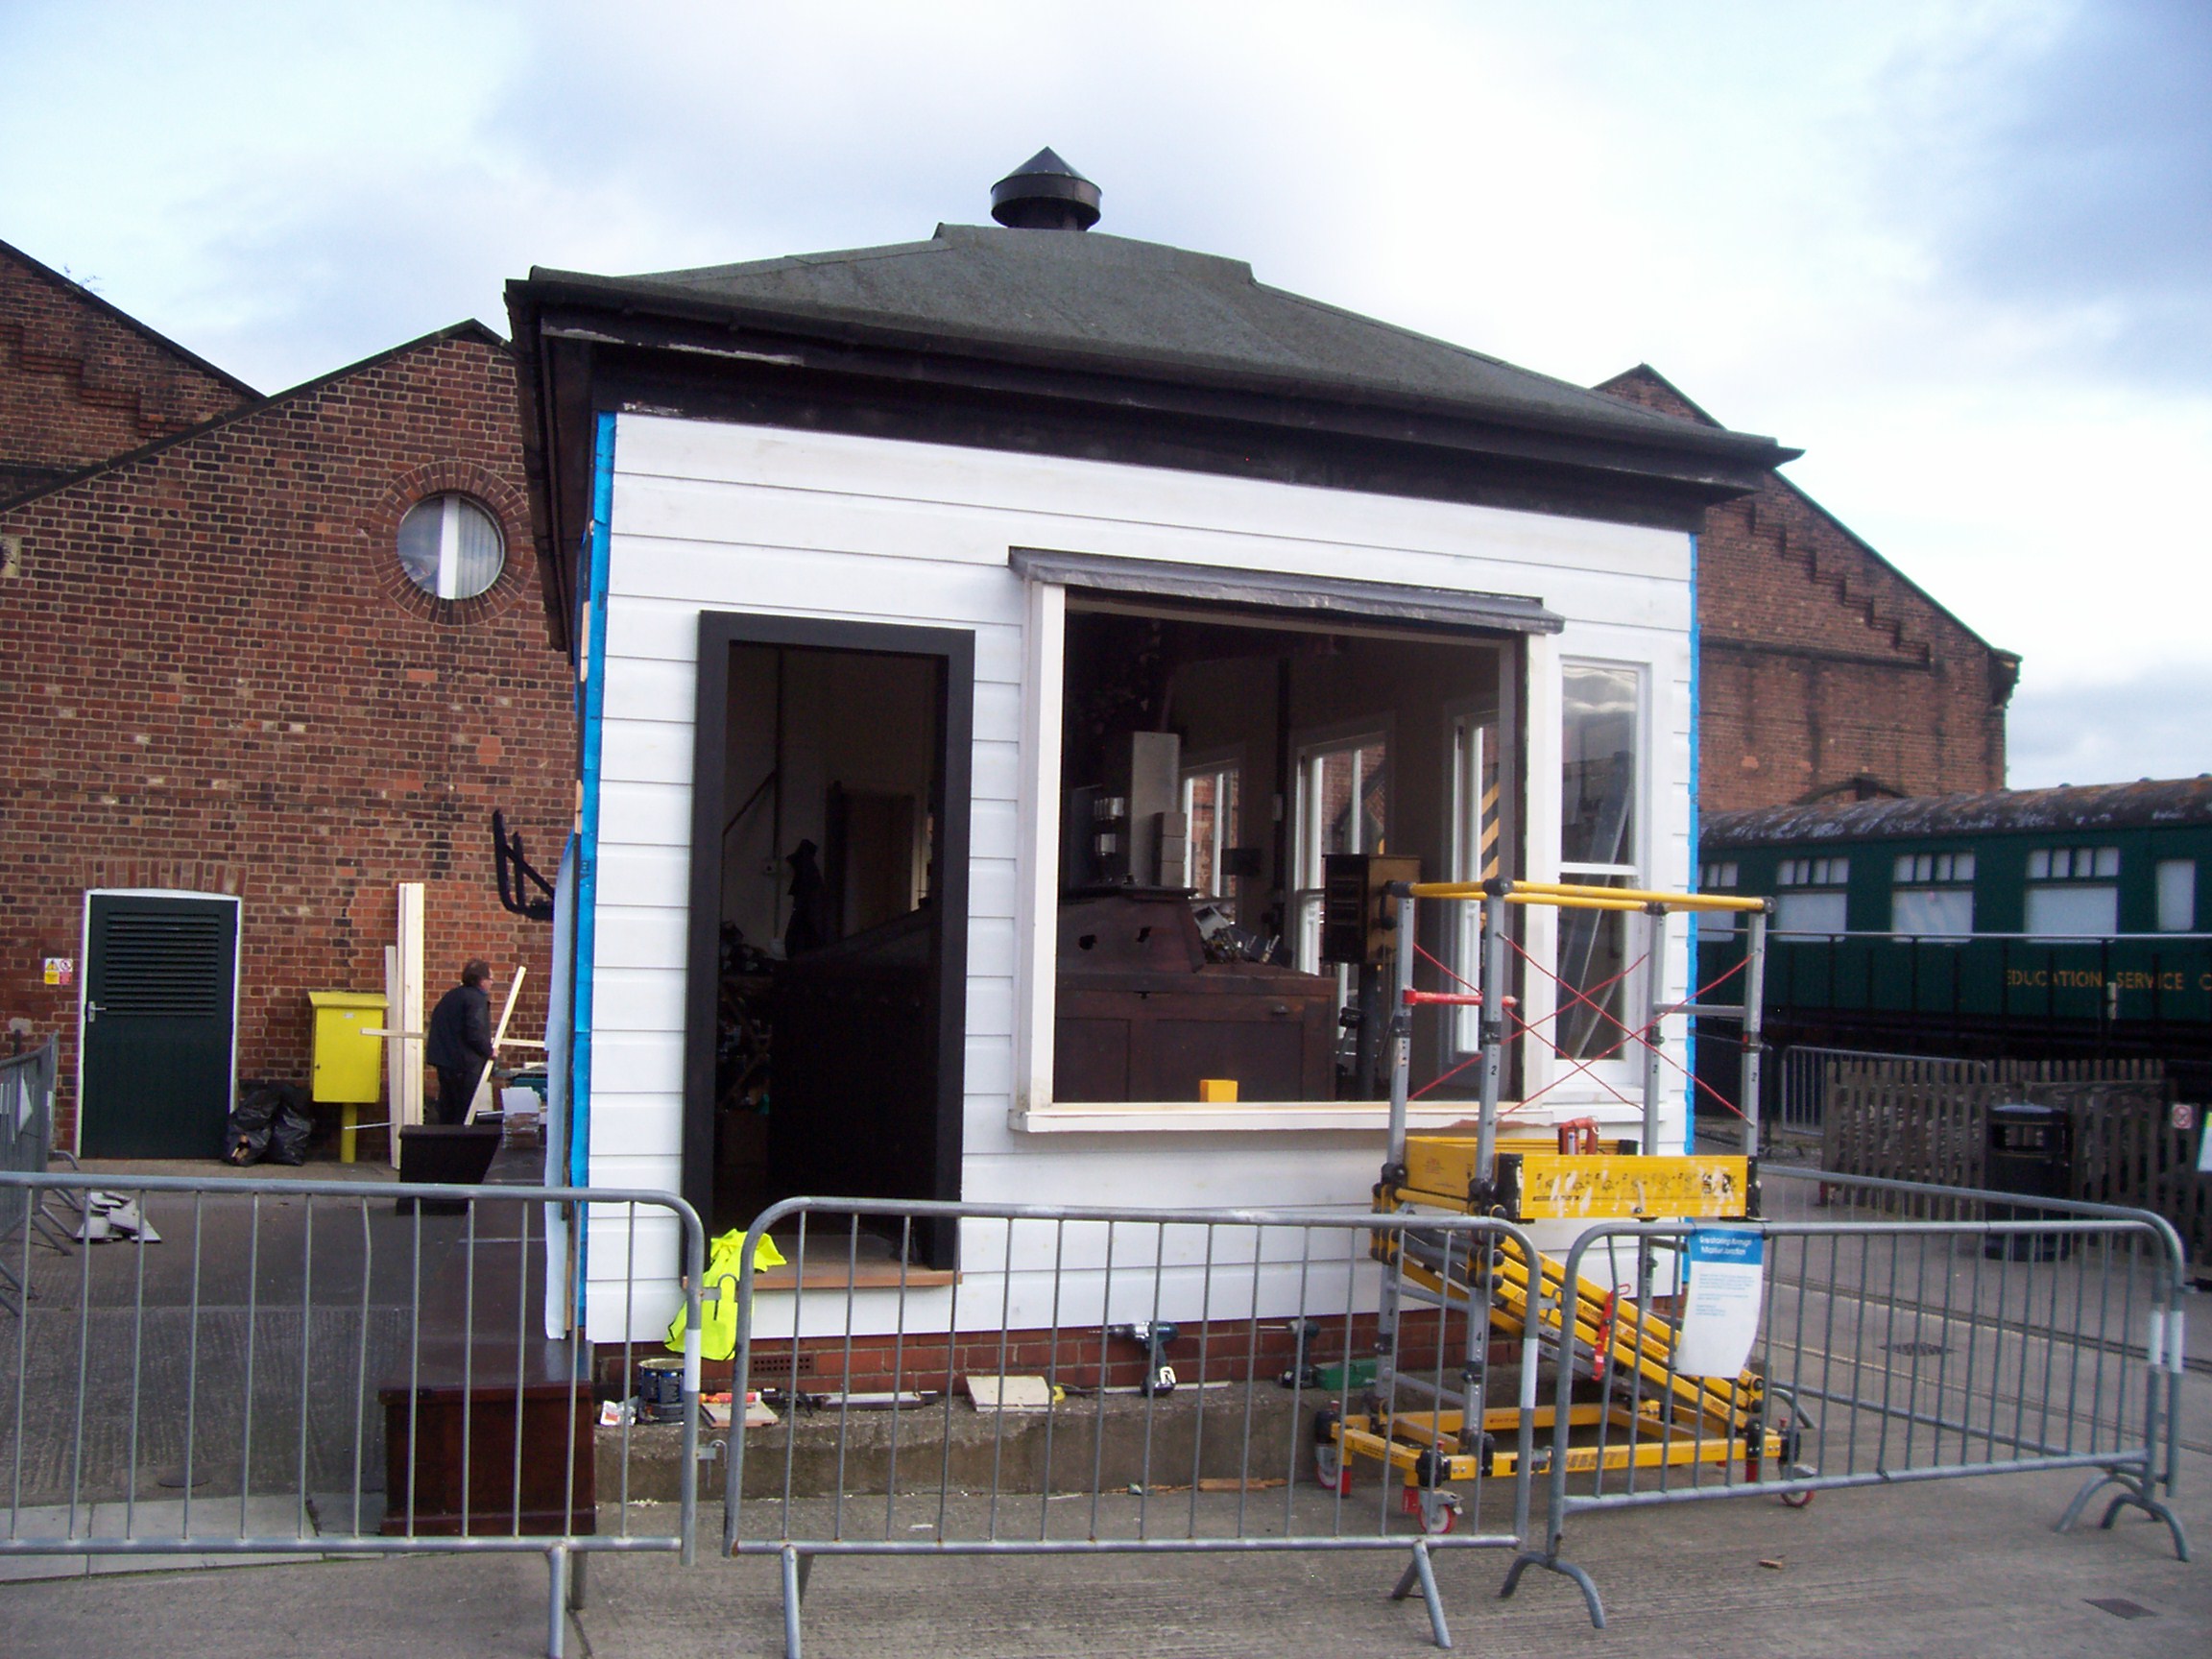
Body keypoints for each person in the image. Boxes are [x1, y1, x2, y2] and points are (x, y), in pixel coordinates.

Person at [424, 959, 495, 1126]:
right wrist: (489, 1051)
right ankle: (461, 1147)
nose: (492, 983)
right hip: (464, 1066)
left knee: (448, 1111)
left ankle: (446, 1147)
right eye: (491, 979)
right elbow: (475, 1032)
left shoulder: (452, 996)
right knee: (464, 1113)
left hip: (445, 1063)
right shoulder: (476, 999)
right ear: (481, 980)